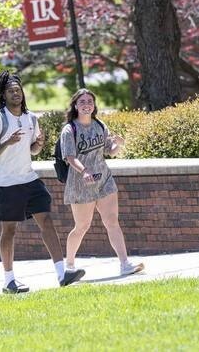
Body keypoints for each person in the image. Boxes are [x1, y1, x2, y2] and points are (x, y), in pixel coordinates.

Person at [0, 71, 85, 293]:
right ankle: (8, 281)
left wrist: (39, 144)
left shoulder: (31, 119)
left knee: (47, 220)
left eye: (18, 90)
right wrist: (7, 142)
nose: (15, 94)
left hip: (29, 178)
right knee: (9, 230)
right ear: (3, 95)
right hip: (6, 182)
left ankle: (62, 274)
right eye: (10, 91)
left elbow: (32, 150)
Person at [60, 88, 144, 276]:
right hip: (81, 184)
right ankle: (70, 267)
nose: (86, 104)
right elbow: (70, 157)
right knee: (81, 226)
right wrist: (84, 171)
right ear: (75, 105)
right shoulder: (69, 130)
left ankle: (125, 264)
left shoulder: (99, 124)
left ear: (94, 105)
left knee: (112, 221)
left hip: (104, 179)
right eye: (82, 101)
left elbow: (109, 151)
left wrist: (118, 144)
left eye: (90, 101)